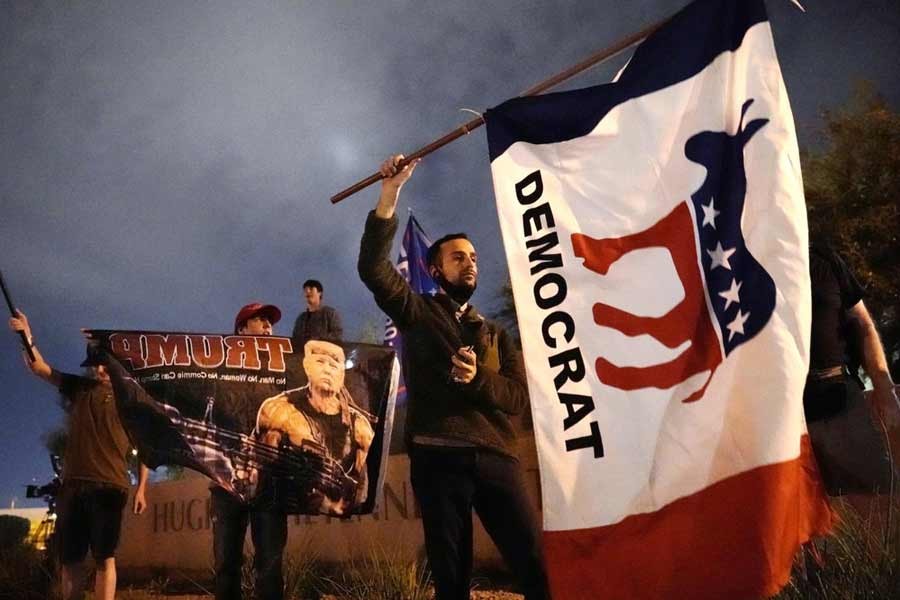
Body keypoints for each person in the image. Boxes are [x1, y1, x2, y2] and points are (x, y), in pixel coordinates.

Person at [358, 155, 549, 600]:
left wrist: (478, 378)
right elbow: (374, 269)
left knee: (536, 567)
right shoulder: (418, 312)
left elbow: (518, 398)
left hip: (497, 458)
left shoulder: (497, 334)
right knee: (451, 577)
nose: (470, 263)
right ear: (436, 270)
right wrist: (390, 194)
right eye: (458, 257)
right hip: (438, 458)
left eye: (474, 257)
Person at [8, 309, 149, 600]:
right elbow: (41, 369)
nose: (100, 370)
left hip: (110, 487)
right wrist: (27, 337)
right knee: (71, 559)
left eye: (105, 364)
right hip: (72, 485)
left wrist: (142, 489)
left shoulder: (131, 400)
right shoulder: (79, 388)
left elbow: (147, 447)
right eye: (96, 364)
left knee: (104, 558)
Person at [804, 245, 899, 495]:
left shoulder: (824, 258)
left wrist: (883, 385)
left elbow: (863, 324)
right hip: (784, 416)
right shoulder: (739, 263)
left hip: (841, 401)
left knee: (883, 503)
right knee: (800, 524)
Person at [211, 302, 287, 600]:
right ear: (242, 329)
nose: (268, 325)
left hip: (269, 483)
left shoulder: (282, 372)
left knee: (270, 564)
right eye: (259, 320)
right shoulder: (219, 368)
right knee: (226, 564)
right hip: (226, 482)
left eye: (270, 321)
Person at [256, 339, 375, 515]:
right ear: (307, 367)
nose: (327, 369)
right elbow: (259, 466)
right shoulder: (279, 410)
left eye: (334, 365)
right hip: (286, 505)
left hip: (337, 513)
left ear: (341, 375)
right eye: (320, 362)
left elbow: (362, 484)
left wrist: (341, 506)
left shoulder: (359, 426)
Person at [291, 279, 343, 349]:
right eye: (305, 290)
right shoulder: (301, 319)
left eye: (311, 289)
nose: (308, 291)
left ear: (320, 293)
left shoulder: (330, 313)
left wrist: (316, 340)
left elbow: (337, 335)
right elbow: (294, 340)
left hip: (324, 355)